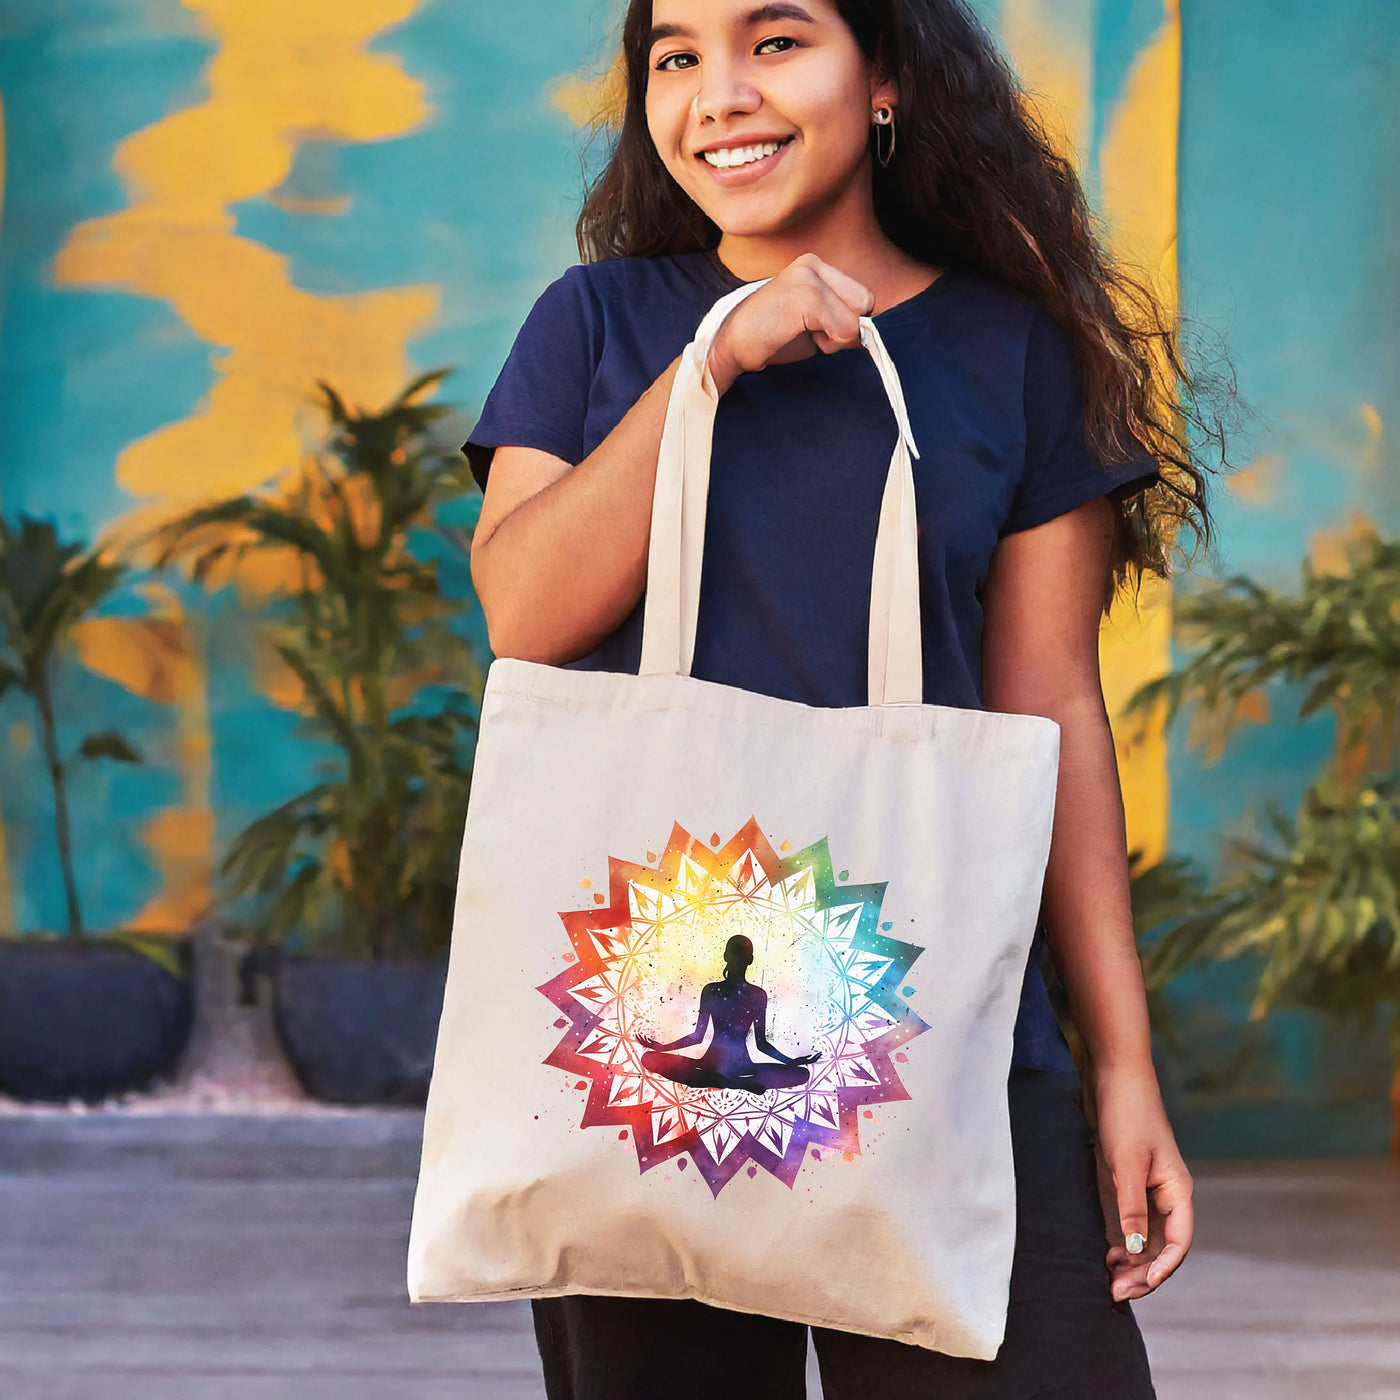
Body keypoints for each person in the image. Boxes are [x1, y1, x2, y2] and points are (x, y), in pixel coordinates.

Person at [463, 1, 1224, 1394]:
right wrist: (716, 357)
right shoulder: (599, 323)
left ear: (885, 80)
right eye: (676, 56)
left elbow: (1050, 715)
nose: (718, 94)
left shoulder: (1011, 353)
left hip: (953, 1023)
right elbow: (524, 608)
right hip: (640, 1045)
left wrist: (1123, 1069)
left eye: (775, 40)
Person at [635, 933, 822, 1093]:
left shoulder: (719, 991)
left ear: (726, 956)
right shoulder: (750, 994)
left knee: (649, 1058)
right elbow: (761, 1044)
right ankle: (736, 1082)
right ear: (750, 959)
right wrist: (790, 1062)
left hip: (714, 1067)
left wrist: (662, 1048)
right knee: (801, 1074)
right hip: (737, 1067)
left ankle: (720, 1081)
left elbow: (697, 1037)